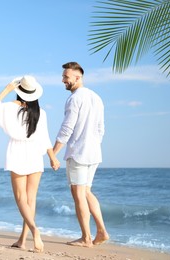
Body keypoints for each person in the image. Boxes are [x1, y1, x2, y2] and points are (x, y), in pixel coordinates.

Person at [0, 75, 60, 253]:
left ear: (19, 92)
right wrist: (52, 157)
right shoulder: (41, 112)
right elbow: (45, 138)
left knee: (21, 198)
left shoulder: (10, 108)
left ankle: (35, 231)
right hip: (36, 153)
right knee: (31, 199)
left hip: (18, 152)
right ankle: (22, 239)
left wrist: (7, 89)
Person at [53, 62, 109, 248]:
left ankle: (86, 238)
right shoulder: (97, 97)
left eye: (66, 77)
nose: (63, 81)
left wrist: (53, 153)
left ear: (78, 77)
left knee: (78, 194)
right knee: (85, 192)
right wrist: (92, 144)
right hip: (94, 153)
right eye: (63, 77)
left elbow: (67, 128)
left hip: (78, 154)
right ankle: (101, 231)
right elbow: (101, 129)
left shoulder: (74, 99)